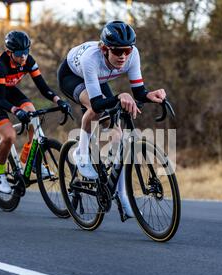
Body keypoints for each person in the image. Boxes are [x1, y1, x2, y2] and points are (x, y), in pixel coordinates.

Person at [57, 21, 166, 217]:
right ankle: (81, 154)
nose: (123, 56)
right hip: (72, 76)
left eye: (127, 50)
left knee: (117, 135)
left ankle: (122, 195)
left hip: (99, 79)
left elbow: (139, 91)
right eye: (118, 51)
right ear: (104, 49)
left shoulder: (133, 56)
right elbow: (97, 103)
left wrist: (150, 95)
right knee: (95, 110)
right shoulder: (92, 58)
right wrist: (119, 96)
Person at [0, 30, 71, 194]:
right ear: (9, 52)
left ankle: (30, 160)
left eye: (26, 52)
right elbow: (0, 100)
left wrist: (59, 101)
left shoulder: (28, 61)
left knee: (32, 114)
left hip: (9, 90)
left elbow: (43, 87)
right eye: (19, 53)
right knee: (9, 136)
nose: (23, 56)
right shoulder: (0, 65)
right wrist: (16, 111)